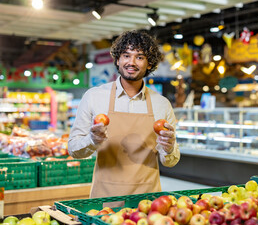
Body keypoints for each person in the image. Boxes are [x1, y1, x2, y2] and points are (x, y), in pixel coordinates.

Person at [68, 30, 180, 198]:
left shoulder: (162, 104)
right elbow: (73, 149)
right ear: (118, 60)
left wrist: (169, 147)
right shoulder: (94, 96)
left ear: (149, 64)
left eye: (140, 57)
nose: (131, 62)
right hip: (105, 198)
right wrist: (92, 140)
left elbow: (170, 161)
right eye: (126, 55)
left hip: (148, 200)